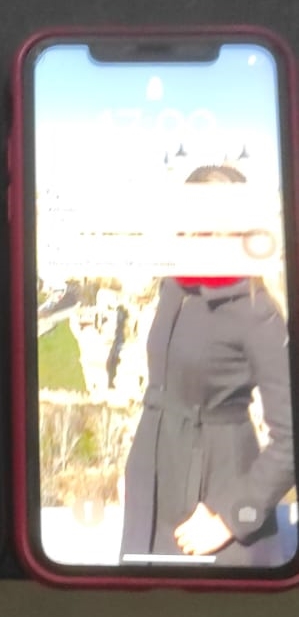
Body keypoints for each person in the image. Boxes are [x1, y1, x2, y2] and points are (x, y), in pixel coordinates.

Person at [121, 165, 295, 566]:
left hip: (212, 510)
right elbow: (162, 392)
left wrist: (234, 516)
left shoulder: (257, 313)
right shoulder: (174, 288)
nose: (185, 237)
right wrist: (139, 467)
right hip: (151, 495)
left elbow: (291, 439)